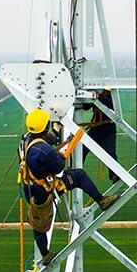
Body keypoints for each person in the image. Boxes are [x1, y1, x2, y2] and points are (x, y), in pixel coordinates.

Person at [19, 108, 119, 264]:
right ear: (44, 127)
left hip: (29, 188)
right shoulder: (44, 150)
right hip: (43, 189)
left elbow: (44, 141)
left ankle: (45, 255)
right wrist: (60, 154)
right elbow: (58, 167)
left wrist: (56, 130)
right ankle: (101, 200)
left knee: (38, 220)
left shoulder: (26, 140)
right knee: (79, 175)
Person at [81, 89, 119, 184]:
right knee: (82, 149)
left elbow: (111, 105)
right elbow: (86, 107)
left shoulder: (112, 97)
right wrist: (88, 97)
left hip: (108, 129)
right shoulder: (100, 95)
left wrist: (99, 96)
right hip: (96, 129)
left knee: (110, 152)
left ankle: (114, 174)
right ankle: (75, 168)